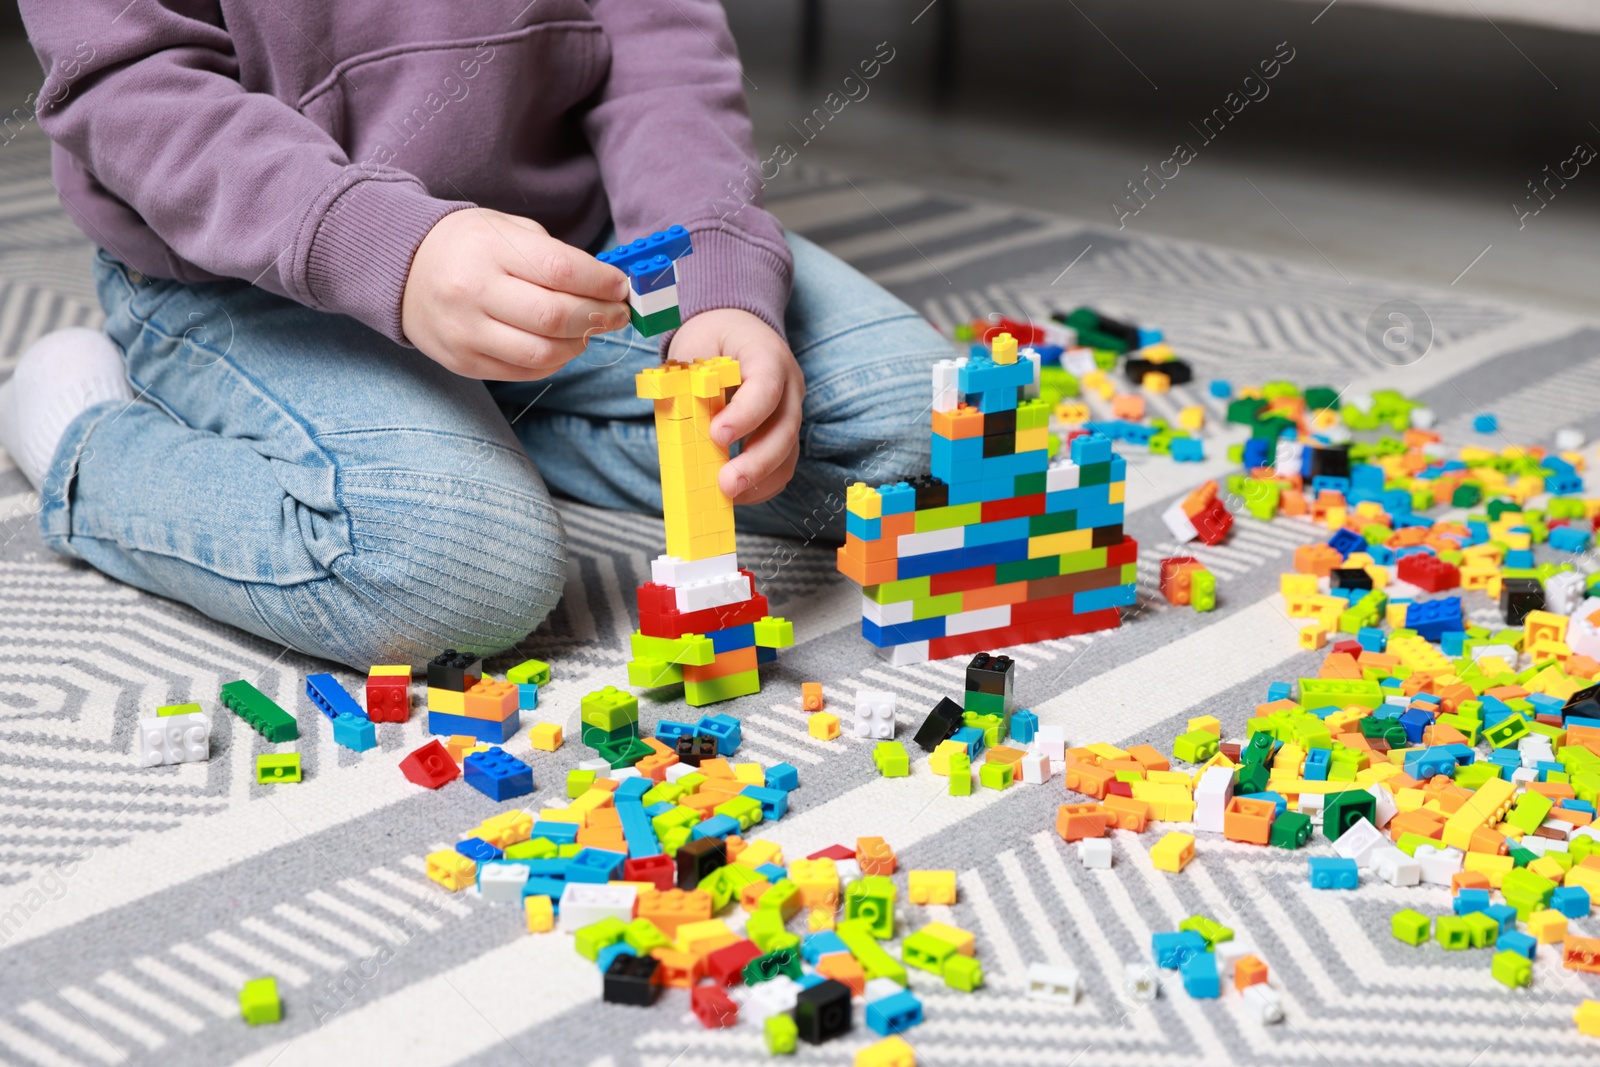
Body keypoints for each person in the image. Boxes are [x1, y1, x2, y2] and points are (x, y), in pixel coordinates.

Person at [2, 1, 944, 667]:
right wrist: (387, 248)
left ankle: (497, 406)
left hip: (573, 239)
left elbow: (661, 47)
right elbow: (131, 91)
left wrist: (716, 278)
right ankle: (91, 445)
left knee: (918, 423)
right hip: (251, 269)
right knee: (456, 569)